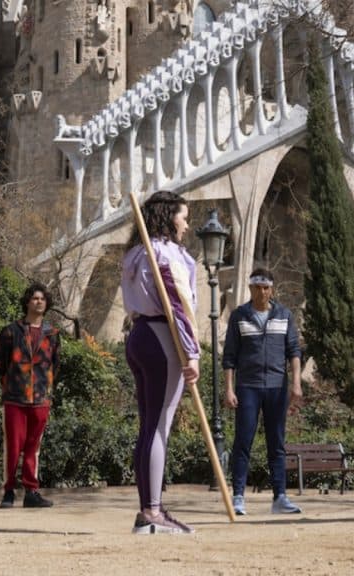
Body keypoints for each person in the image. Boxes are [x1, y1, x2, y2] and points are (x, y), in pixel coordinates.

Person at [121, 190, 200, 534]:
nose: (186, 223)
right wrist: (192, 352)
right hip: (162, 338)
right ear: (169, 217)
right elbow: (178, 305)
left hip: (139, 335)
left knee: (149, 425)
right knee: (158, 426)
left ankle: (150, 509)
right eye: (183, 216)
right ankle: (152, 512)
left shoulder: (135, 253)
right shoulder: (165, 255)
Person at [223, 268, 303, 515]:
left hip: (277, 387)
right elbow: (229, 357)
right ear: (250, 288)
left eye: (266, 287)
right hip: (248, 387)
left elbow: (294, 352)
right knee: (243, 442)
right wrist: (228, 389)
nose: (262, 292)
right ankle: (238, 496)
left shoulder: (284, 315)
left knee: (276, 443)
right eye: (257, 287)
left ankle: (279, 498)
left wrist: (296, 384)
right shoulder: (239, 316)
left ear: (272, 289)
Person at [0, 283, 60, 509]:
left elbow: (55, 365)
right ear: (27, 302)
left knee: (34, 447)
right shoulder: (11, 331)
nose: (38, 301)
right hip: (15, 398)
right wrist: (11, 385)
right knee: (13, 446)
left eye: (42, 298)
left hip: (41, 399)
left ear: (46, 303)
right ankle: (9, 491)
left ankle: (32, 491)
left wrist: (46, 389)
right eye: (34, 298)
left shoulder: (52, 334)